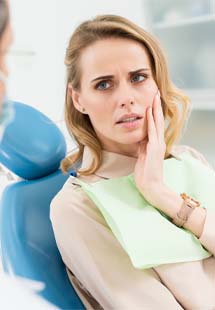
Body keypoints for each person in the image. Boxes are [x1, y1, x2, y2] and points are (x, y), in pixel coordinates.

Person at [50, 14, 215, 309]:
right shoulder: (77, 206)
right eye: (103, 85)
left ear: (157, 84)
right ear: (78, 100)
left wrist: (165, 197)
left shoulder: (190, 159)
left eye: (138, 77)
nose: (126, 98)